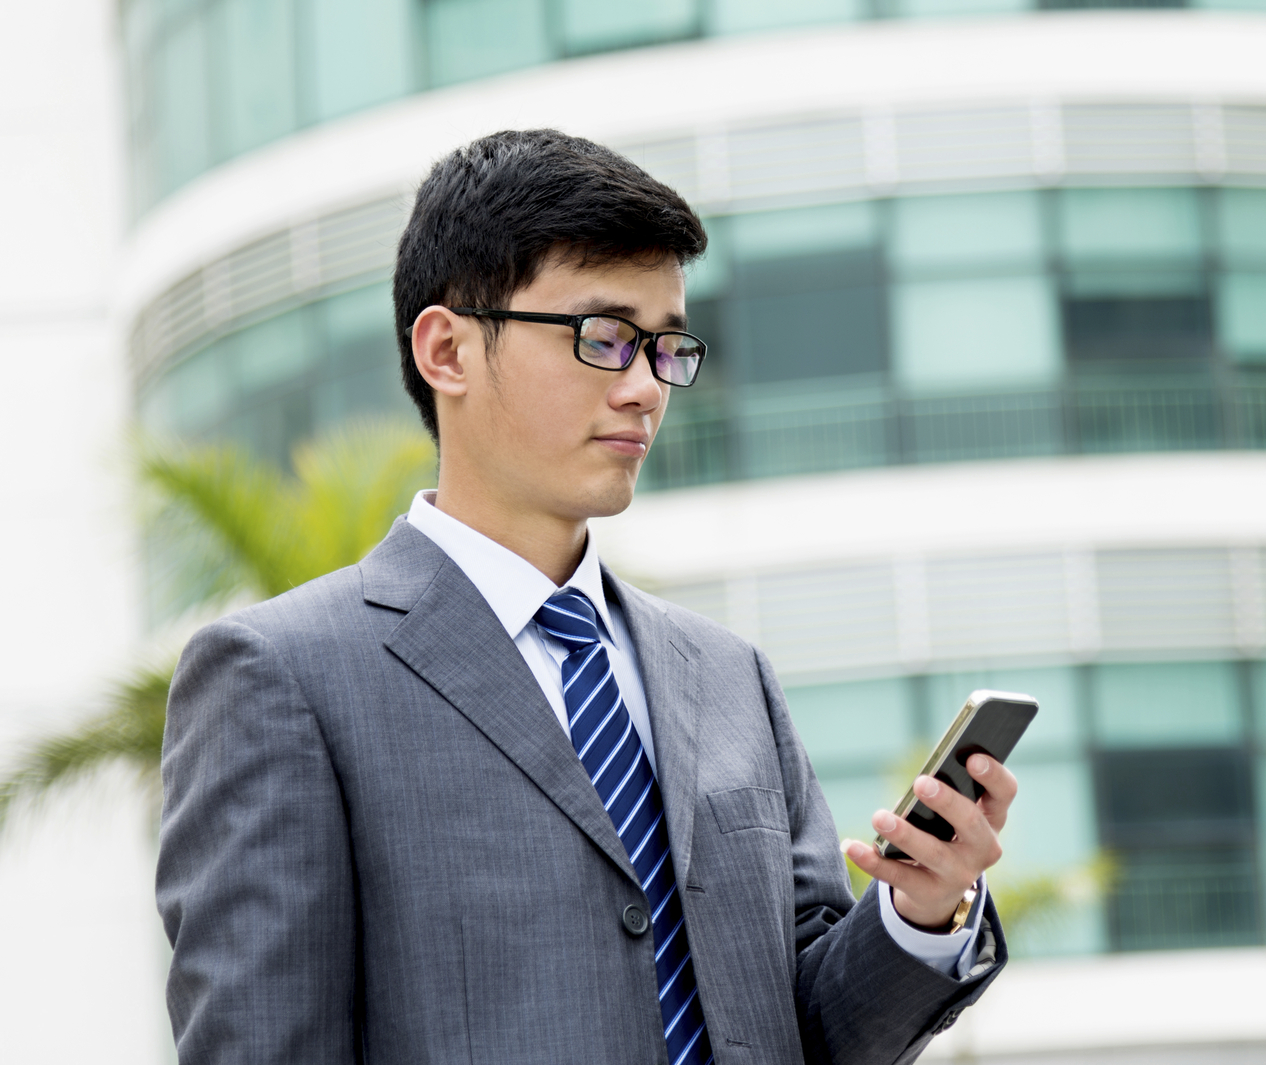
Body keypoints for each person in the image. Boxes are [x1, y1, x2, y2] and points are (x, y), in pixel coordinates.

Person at [157, 129, 1017, 1065]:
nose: (648, 388)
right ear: (447, 350)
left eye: (666, 347)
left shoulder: (728, 678)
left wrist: (917, 909)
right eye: (604, 339)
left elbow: (799, 1029)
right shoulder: (284, 676)